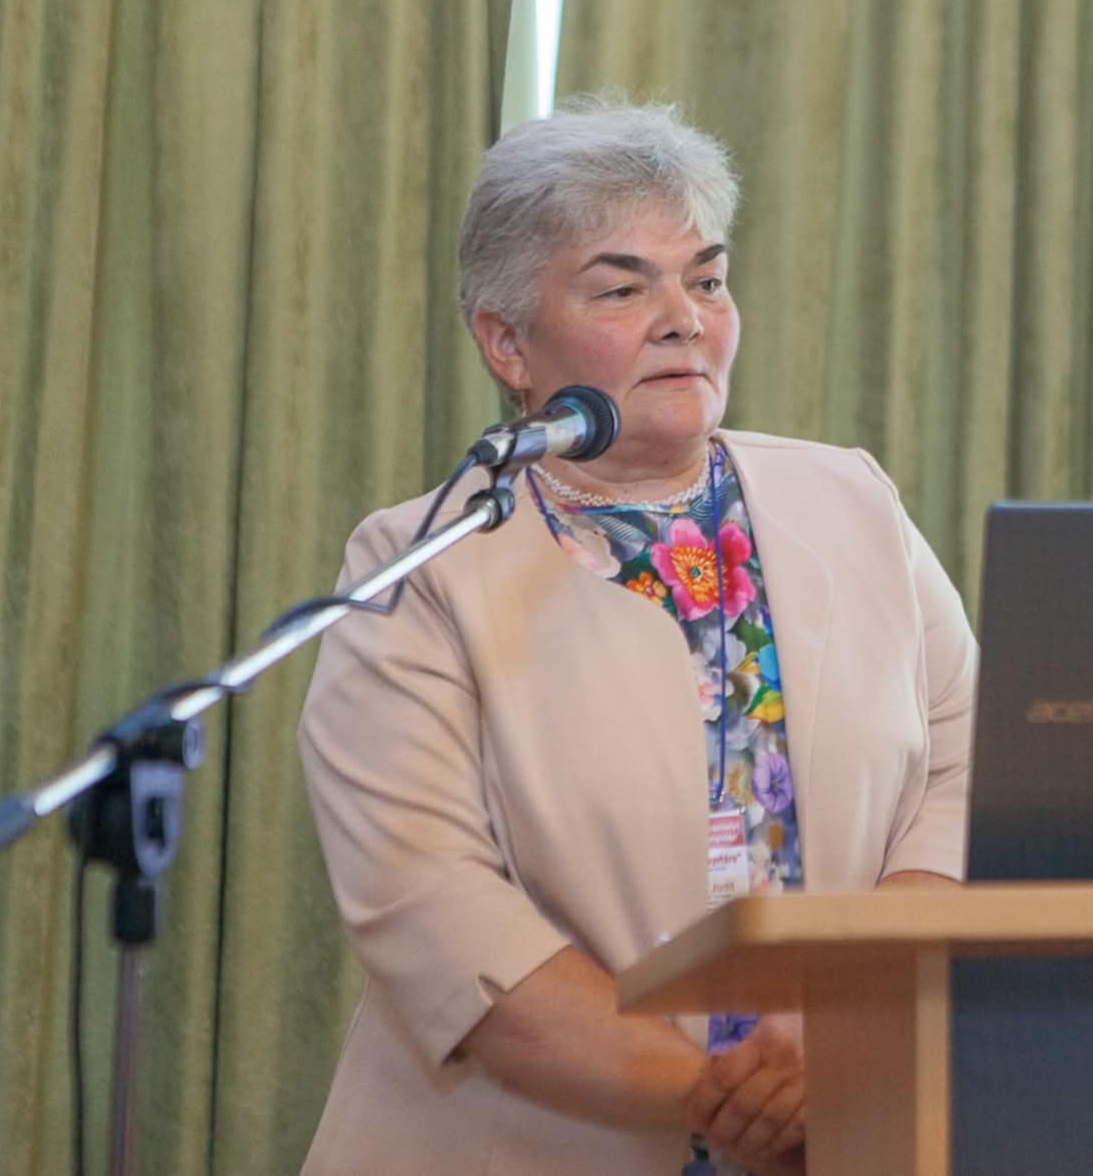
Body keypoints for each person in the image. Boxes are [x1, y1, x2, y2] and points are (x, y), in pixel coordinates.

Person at [296, 98, 976, 1175]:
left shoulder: (851, 500)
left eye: (706, 279)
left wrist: (847, 1021)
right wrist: (740, 1104)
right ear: (506, 342)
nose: (683, 319)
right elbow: (439, 917)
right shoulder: (418, 568)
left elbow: (968, 774)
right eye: (622, 288)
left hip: (856, 1118)